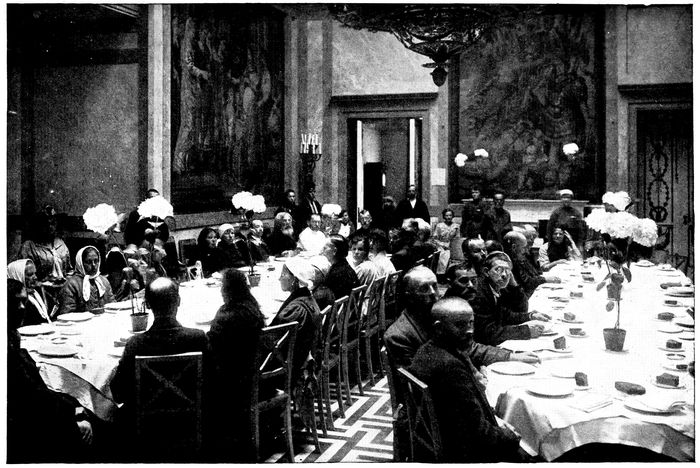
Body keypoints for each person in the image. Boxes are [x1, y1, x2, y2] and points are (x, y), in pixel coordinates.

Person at [407, 297, 528, 462]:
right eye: (460, 325)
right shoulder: (450, 368)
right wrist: (511, 436)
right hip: (462, 452)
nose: (469, 330)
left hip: (446, 432)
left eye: (471, 323)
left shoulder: (426, 350)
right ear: (439, 328)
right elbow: (479, 434)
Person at [110, 278, 209, 450]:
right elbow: (213, 382)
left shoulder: (135, 344)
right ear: (179, 301)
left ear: (147, 305)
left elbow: (119, 393)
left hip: (148, 426)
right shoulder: (198, 338)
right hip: (189, 422)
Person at [7, 279, 95, 463]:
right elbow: (32, 395)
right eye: (15, 302)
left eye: (24, 301)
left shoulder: (12, 338)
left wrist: (72, 405)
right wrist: (72, 414)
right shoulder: (9, 349)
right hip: (26, 425)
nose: (22, 307)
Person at [207, 269, 265, 461]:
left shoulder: (226, 313)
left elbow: (210, 346)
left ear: (227, 290)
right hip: (255, 377)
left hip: (233, 384)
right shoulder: (252, 308)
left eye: (222, 287)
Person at [471, 252, 550, 346]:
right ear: (486, 272)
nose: (504, 275)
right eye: (498, 270)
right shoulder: (480, 294)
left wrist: (530, 316)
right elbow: (488, 333)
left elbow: (507, 314)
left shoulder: (495, 286)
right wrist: (525, 331)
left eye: (508, 270)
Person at [270, 258, 322, 383]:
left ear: (294, 279)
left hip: (287, 368)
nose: (279, 278)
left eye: (283, 274)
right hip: (299, 360)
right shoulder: (308, 298)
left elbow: (274, 340)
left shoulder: (295, 309)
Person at [17, 210, 71, 282]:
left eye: (52, 223)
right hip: (40, 287)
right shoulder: (29, 246)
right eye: (45, 224)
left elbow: (69, 270)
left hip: (62, 286)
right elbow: (23, 275)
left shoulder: (61, 244)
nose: (50, 227)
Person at [58, 246, 114, 316]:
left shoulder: (104, 281)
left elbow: (112, 305)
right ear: (81, 263)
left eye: (96, 261)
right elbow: (67, 314)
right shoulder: (71, 284)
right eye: (88, 262)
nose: (93, 265)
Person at [503, 231, 560, 297]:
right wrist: (545, 279)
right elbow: (527, 283)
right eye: (523, 247)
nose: (526, 250)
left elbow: (535, 274)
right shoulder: (508, 262)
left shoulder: (518, 257)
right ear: (514, 247)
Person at [8, 259, 51, 325]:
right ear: (18, 276)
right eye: (30, 274)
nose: (35, 277)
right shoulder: (14, 301)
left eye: (35, 273)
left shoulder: (38, 293)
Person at [321, 235, 359, 300]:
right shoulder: (344, 265)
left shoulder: (336, 272)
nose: (322, 251)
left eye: (325, 248)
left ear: (334, 251)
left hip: (339, 305)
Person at [431, 208, 459, 276]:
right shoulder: (439, 225)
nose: (449, 217)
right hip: (441, 245)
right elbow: (434, 239)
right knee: (443, 255)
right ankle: (441, 274)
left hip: (452, 245)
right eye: (447, 215)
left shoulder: (456, 226)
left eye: (450, 215)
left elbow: (458, 238)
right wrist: (442, 245)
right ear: (444, 216)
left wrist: (452, 245)